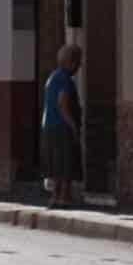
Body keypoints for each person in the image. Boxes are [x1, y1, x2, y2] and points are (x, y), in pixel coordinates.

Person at [41, 41, 85, 206]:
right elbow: (62, 103)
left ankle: (55, 196)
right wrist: (72, 125)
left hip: (48, 127)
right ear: (71, 62)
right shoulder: (65, 80)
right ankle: (64, 196)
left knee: (56, 164)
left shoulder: (52, 77)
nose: (79, 66)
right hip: (61, 127)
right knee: (66, 163)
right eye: (78, 61)